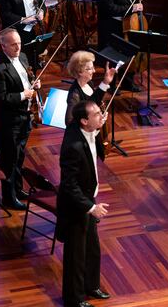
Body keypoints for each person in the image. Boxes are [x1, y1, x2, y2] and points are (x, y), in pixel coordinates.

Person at [56, 100, 111, 307]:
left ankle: (91, 286)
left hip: (88, 198)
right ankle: (74, 299)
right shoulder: (73, 146)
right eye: (97, 114)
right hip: (75, 206)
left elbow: (91, 134)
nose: (101, 115)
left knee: (92, 248)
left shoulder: (84, 129)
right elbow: (69, 185)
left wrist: (97, 127)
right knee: (75, 255)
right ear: (84, 120)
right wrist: (91, 208)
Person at [0, 28, 40, 210]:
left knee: (19, 158)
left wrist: (34, 83)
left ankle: (18, 190)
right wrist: (23, 95)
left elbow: (26, 80)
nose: (18, 47)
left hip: (24, 118)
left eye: (19, 43)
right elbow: (0, 99)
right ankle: (8, 198)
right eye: (13, 44)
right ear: (3, 46)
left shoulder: (23, 57)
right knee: (9, 161)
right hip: (10, 122)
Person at [96, 0, 143, 92]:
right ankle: (111, 85)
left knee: (129, 54)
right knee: (114, 57)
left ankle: (128, 83)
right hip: (112, 26)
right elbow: (110, 9)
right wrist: (132, 8)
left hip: (127, 24)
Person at [65, 51, 116, 126]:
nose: (94, 71)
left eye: (93, 67)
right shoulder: (74, 95)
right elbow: (69, 122)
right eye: (90, 69)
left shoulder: (89, 83)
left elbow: (94, 100)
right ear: (80, 72)